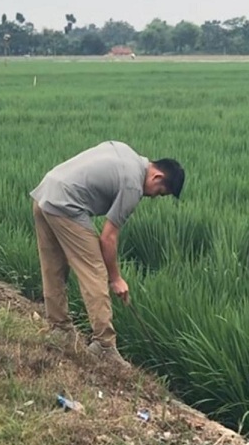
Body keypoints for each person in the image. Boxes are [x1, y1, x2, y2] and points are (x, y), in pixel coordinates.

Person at [30, 142, 184, 364]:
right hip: (66, 204)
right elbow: (108, 237)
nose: (152, 197)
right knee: (94, 272)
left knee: (53, 267)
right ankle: (104, 346)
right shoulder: (134, 186)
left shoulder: (126, 151)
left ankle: (59, 329)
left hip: (45, 192)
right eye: (159, 193)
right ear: (157, 177)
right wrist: (116, 278)